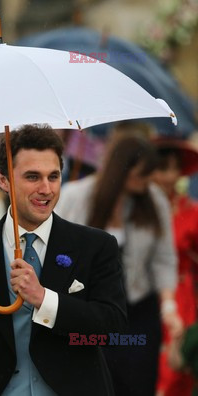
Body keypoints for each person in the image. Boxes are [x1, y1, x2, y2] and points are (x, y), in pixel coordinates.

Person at [0, 124, 128, 395]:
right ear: (3, 180)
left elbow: (112, 326)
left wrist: (44, 298)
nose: (46, 189)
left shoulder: (95, 246)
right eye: (32, 177)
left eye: (53, 176)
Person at [55, 134, 181, 396]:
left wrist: (169, 307)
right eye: (141, 175)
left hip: (138, 312)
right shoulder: (76, 197)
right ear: (121, 169)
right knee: (93, 384)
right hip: (90, 313)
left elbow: (163, 259)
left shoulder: (153, 200)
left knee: (137, 383)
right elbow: (56, 252)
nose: (147, 182)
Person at [153, 138, 198, 396]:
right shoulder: (135, 208)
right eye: (161, 167)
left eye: (173, 168)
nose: (168, 176)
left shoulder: (191, 211)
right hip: (142, 294)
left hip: (179, 296)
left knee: (175, 371)